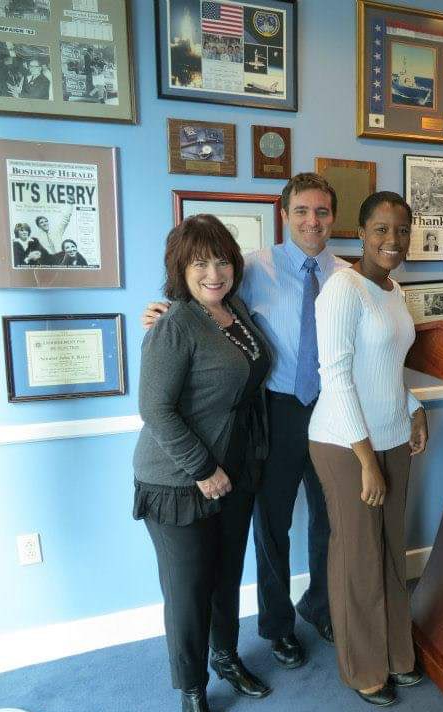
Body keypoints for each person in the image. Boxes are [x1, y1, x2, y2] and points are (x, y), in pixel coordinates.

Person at [143, 173, 340, 670]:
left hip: (332, 410)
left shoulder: (345, 275)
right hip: (275, 412)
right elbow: (201, 302)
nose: (312, 221)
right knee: (272, 526)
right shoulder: (251, 268)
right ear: (285, 215)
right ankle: (277, 626)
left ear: (333, 218)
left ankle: (321, 606)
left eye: (321, 211)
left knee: (330, 518)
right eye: (301, 211)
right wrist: (163, 314)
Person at [133, 215, 272, 712]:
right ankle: (192, 689)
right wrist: (202, 469)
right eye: (199, 264)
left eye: (222, 261)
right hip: (179, 478)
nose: (214, 273)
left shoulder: (235, 311)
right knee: (188, 590)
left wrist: (232, 465)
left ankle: (226, 657)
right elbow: (155, 410)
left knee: (226, 575)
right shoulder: (174, 324)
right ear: (180, 269)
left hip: (236, 469)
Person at [308, 192, 427, 708]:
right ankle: (364, 669)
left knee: (391, 552)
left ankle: (397, 654)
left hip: (393, 435)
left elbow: (387, 366)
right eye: (381, 229)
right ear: (360, 233)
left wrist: (414, 407)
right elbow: (336, 378)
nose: (392, 240)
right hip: (344, 444)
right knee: (358, 556)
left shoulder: (394, 290)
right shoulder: (342, 289)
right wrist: (365, 461)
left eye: (401, 230)